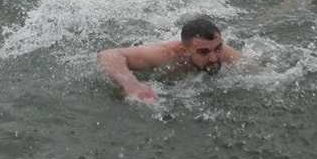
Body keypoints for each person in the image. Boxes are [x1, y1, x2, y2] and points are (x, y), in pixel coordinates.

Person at [96, 17, 243, 102]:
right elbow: (108, 55)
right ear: (184, 51)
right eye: (203, 52)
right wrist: (132, 84)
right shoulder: (166, 55)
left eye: (217, 48)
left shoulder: (226, 53)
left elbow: (254, 74)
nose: (213, 58)